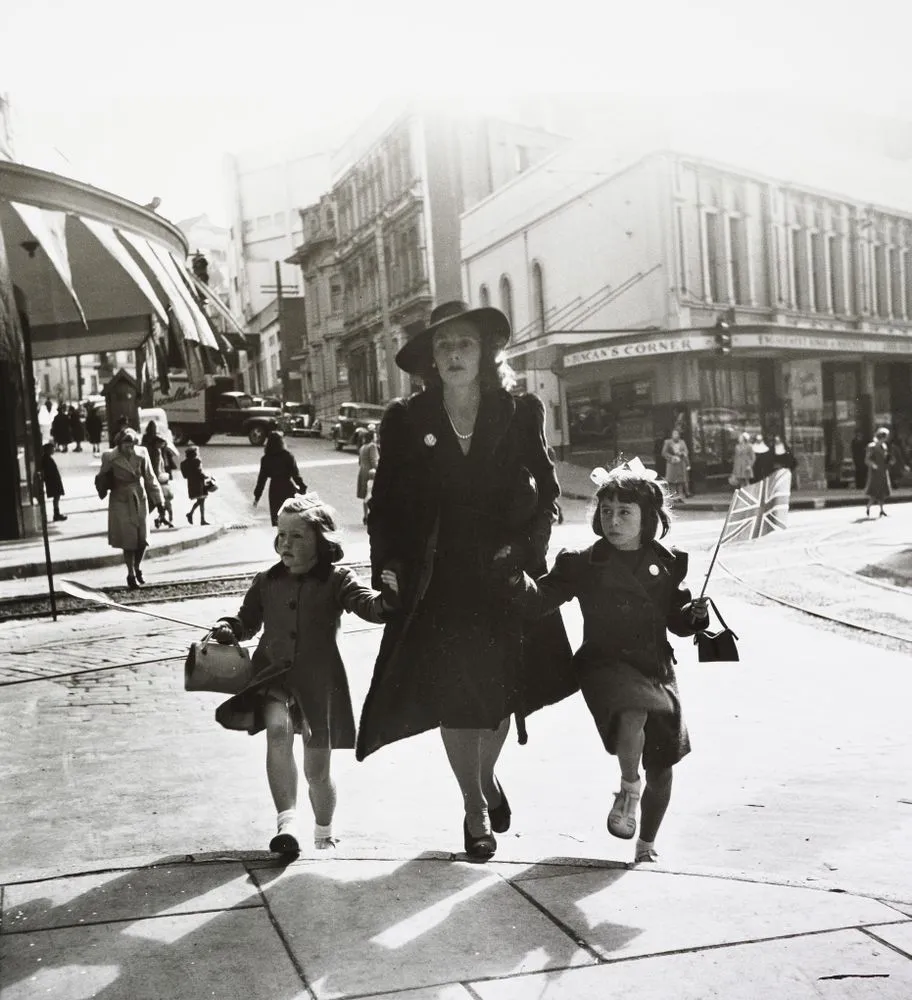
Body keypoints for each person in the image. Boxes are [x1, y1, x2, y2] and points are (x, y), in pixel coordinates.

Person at [357, 300, 577, 861]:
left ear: (486, 353)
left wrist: (527, 554)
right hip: (437, 581)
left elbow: (547, 494)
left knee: (501, 697)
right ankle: (475, 808)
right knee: (457, 698)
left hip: (502, 575)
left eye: (464, 344)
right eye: (443, 346)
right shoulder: (405, 421)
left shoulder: (520, 410)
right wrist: (387, 569)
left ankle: (487, 779)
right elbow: (383, 507)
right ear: (431, 360)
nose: (453, 355)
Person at [506, 460, 709, 863]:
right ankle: (628, 787)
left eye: (624, 512)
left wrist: (694, 617)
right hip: (605, 665)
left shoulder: (667, 563)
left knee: (664, 765)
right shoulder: (582, 562)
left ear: (647, 517)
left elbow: (677, 620)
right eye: (606, 511)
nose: (613, 521)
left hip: (657, 668)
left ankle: (646, 842)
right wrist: (513, 579)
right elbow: (540, 600)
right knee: (634, 711)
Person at [208, 493, 399, 855]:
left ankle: (324, 832)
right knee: (278, 731)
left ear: (321, 541)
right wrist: (228, 627)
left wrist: (389, 596)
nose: (285, 543)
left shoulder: (338, 579)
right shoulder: (266, 581)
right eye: (281, 534)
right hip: (274, 678)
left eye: (297, 536)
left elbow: (371, 607)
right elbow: (246, 621)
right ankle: (287, 823)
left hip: (318, 684)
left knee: (318, 770)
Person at [95, 428, 162, 589]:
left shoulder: (142, 453)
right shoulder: (109, 457)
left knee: (143, 539)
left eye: (132, 445)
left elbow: (150, 477)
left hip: (139, 497)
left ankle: (138, 568)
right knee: (128, 540)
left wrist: (159, 501)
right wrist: (103, 487)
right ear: (119, 444)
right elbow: (101, 477)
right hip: (121, 500)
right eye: (126, 445)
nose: (130, 448)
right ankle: (130, 573)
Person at [253, 430, 307, 526]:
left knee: (278, 521)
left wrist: (257, 497)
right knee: (290, 520)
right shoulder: (288, 456)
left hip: (274, 491)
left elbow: (261, 480)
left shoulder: (266, 459)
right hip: (288, 489)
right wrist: (303, 489)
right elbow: (296, 475)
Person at [141, 421, 179, 528]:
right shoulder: (156, 451)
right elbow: (157, 467)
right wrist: (159, 478)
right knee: (157, 501)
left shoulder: (149, 445)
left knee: (158, 501)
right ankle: (148, 518)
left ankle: (160, 518)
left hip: (153, 478)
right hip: (156, 479)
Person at [864, 427, 893, 518]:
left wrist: (889, 460)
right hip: (875, 472)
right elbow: (867, 459)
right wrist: (873, 465)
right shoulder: (872, 446)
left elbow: (885, 458)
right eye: (885, 436)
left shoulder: (884, 446)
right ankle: (868, 506)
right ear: (882, 437)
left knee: (883, 491)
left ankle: (881, 510)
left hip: (883, 471)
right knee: (875, 491)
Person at [180, 445, 211, 525]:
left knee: (200, 500)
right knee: (201, 501)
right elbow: (199, 472)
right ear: (194, 453)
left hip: (191, 484)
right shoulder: (197, 460)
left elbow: (185, 476)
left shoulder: (183, 463)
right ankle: (200, 519)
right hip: (199, 483)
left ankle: (193, 515)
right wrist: (206, 476)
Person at [356, 425, 380, 524]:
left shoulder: (362, 447)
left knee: (366, 495)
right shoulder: (372, 446)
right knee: (372, 494)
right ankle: (372, 516)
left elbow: (359, 462)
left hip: (362, 472)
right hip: (371, 473)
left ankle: (365, 516)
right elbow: (374, 462)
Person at [40, 442, 67, 522]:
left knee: (57, 497)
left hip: (53, 480)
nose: (53, 450)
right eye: (52, 449)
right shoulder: (46, 459)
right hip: (52, 481)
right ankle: (56, 514)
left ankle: (56, 514)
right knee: (56, 497)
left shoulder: (47, 458)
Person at [661, 429, 690, 498]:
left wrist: (683, 453)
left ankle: (681, 494)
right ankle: (673, 494)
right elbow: (664, 453)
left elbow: (686, 451)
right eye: (674, 434)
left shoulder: (682, 442)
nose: (676, 435)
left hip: (680, 463)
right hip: (672, 463)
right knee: (672, 480)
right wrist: (672, 457)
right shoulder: (668, 442)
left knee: (680, 479)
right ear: (672, 435)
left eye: (677, 434)